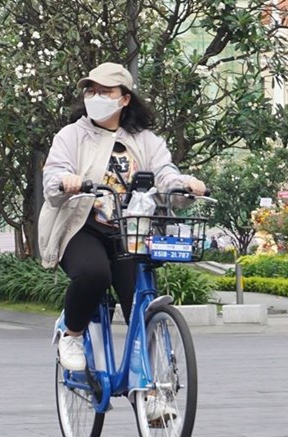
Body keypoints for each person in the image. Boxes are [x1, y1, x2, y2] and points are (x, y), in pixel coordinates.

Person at [38, 62, 207, 387]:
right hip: (83, 227)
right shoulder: (72, 135)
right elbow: (53, 177)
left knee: (142, 306)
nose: (96, 97)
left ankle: (153, 390)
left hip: (131, 234)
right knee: (94, 275)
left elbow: (165, 175)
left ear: (125, 98)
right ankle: (70, 333)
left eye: (105, 91)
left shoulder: (145, 141)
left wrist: (184, 185)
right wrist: (66, 181)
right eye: (91, 90)